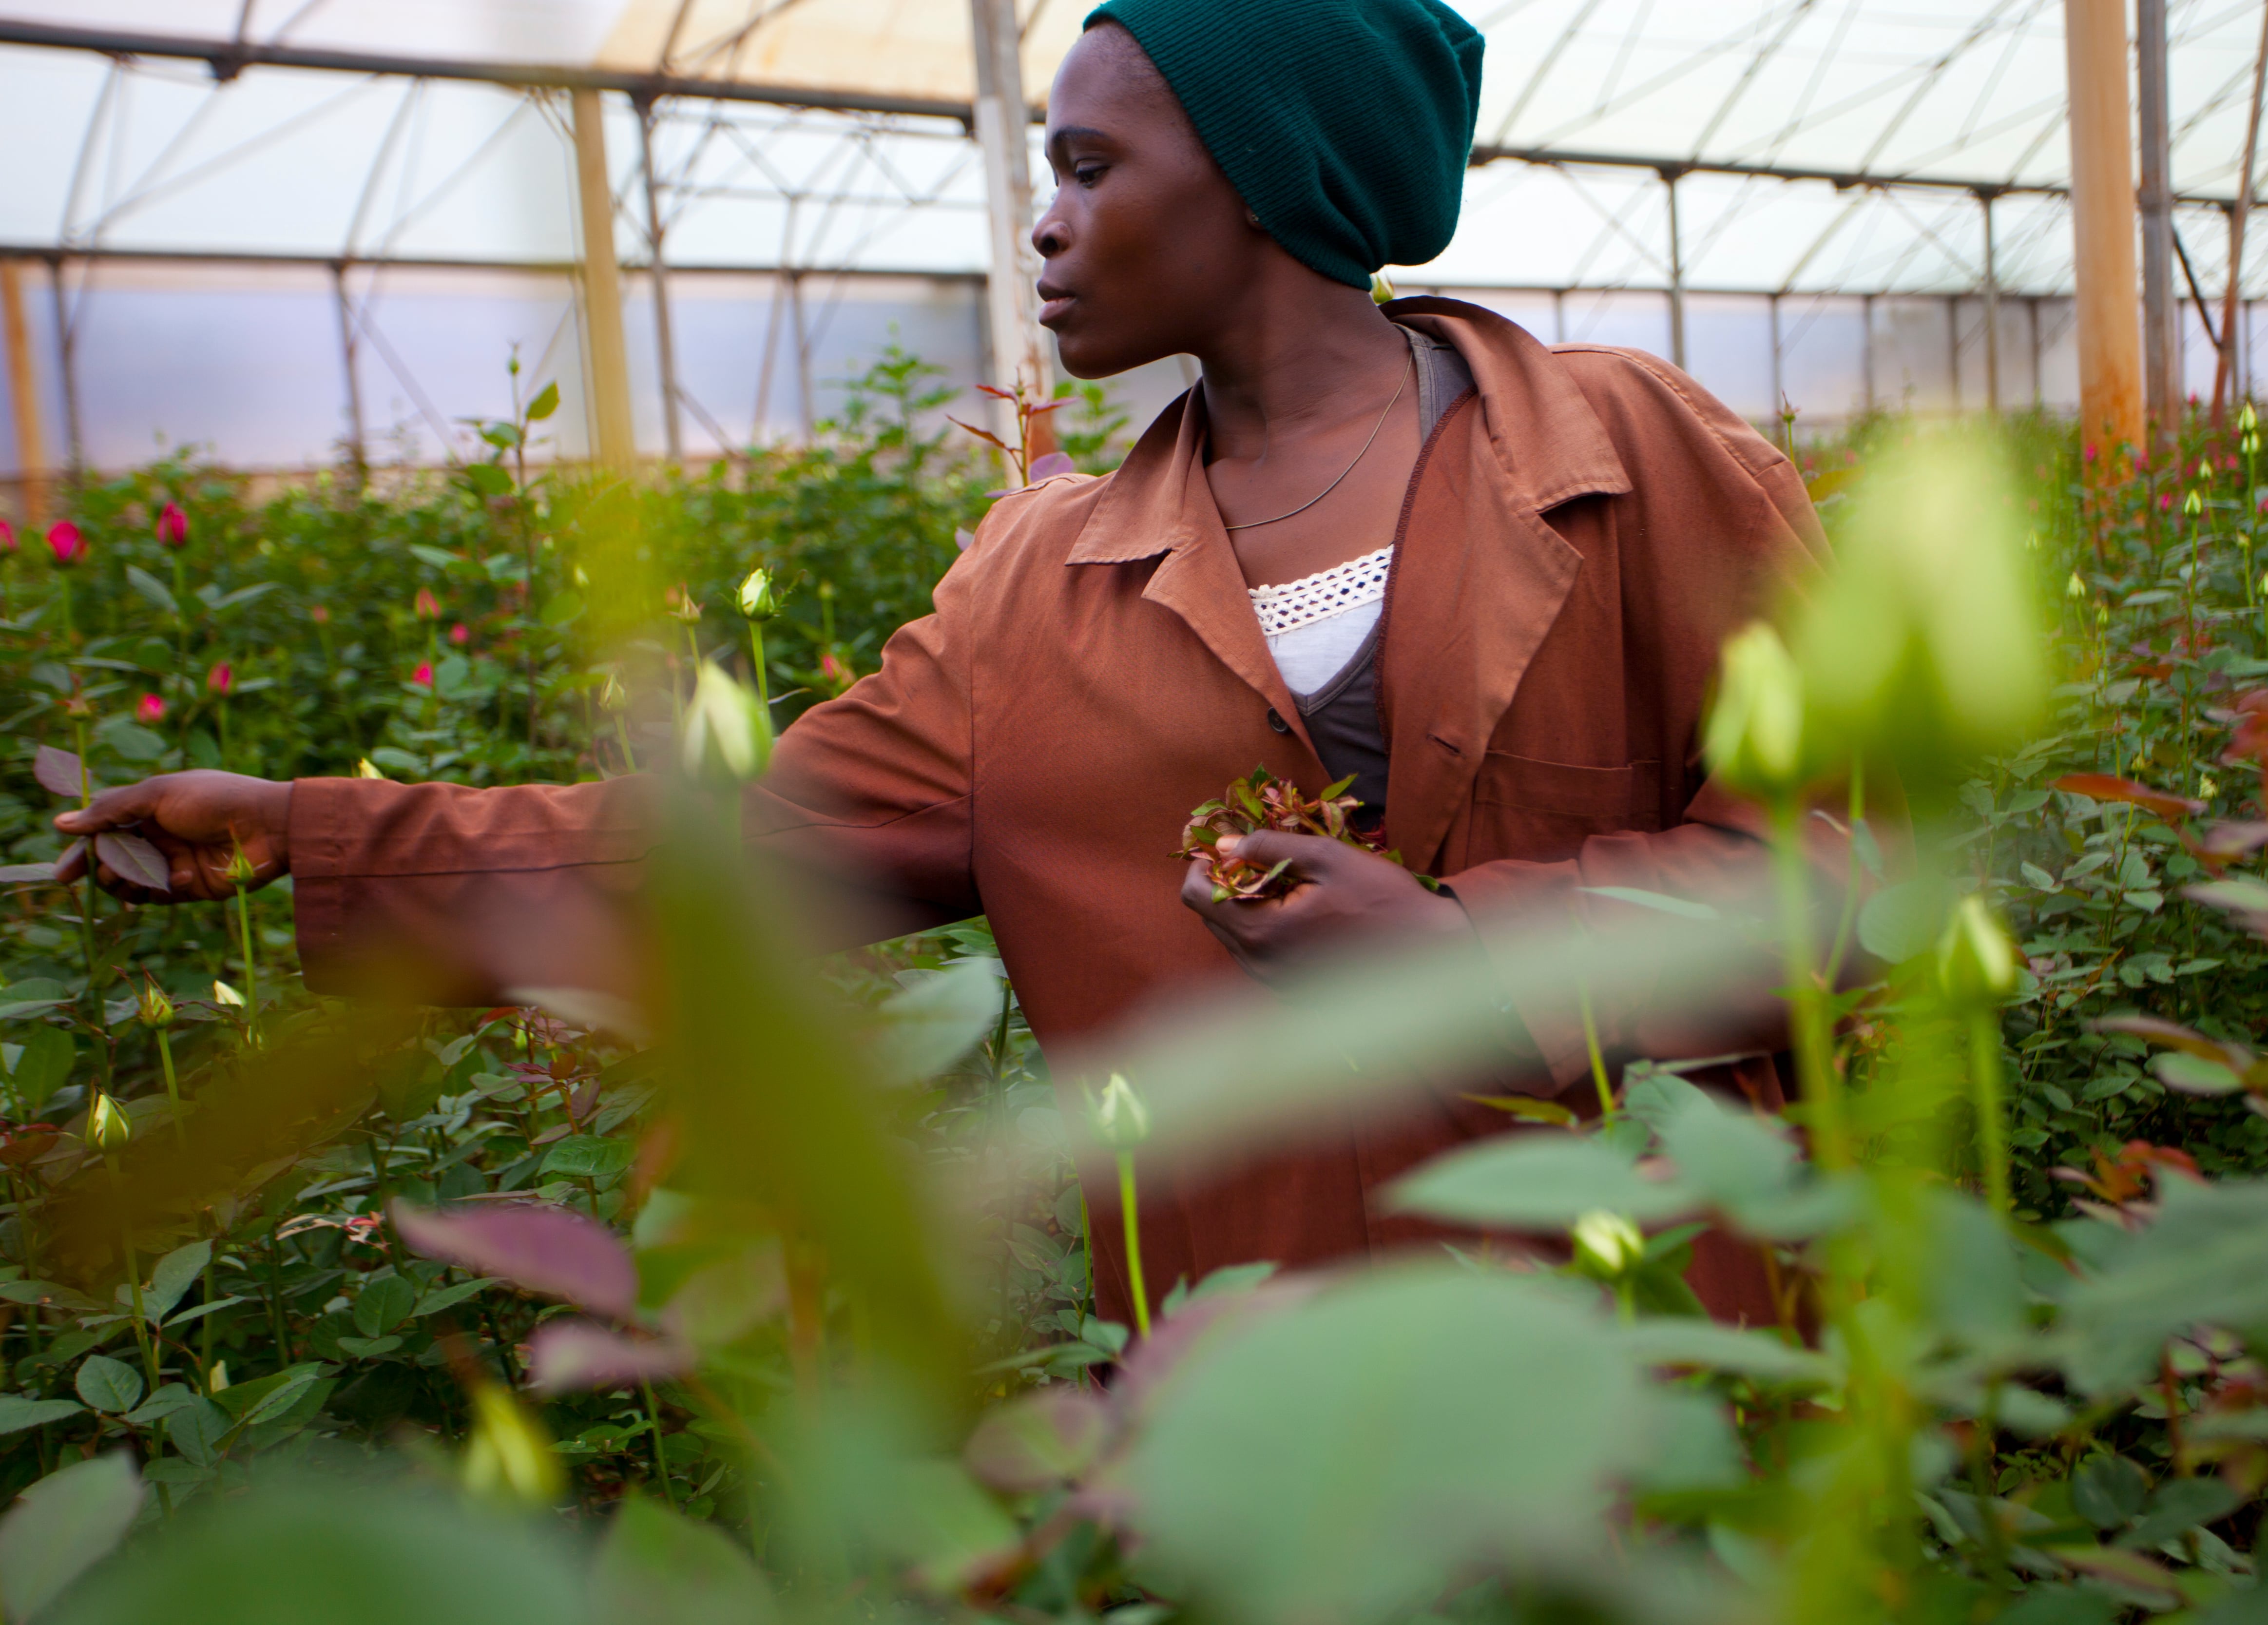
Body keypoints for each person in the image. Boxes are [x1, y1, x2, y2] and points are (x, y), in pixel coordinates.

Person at [59, 0, 1827, 1327]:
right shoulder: (1038, 580)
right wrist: (308, 831)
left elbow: (1845, 873)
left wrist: (1465, 952)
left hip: (1653, 1341)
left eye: (1088, 165)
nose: (1044, 224)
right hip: (1252, 1389)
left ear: (1266, 168)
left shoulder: (1626, 461)